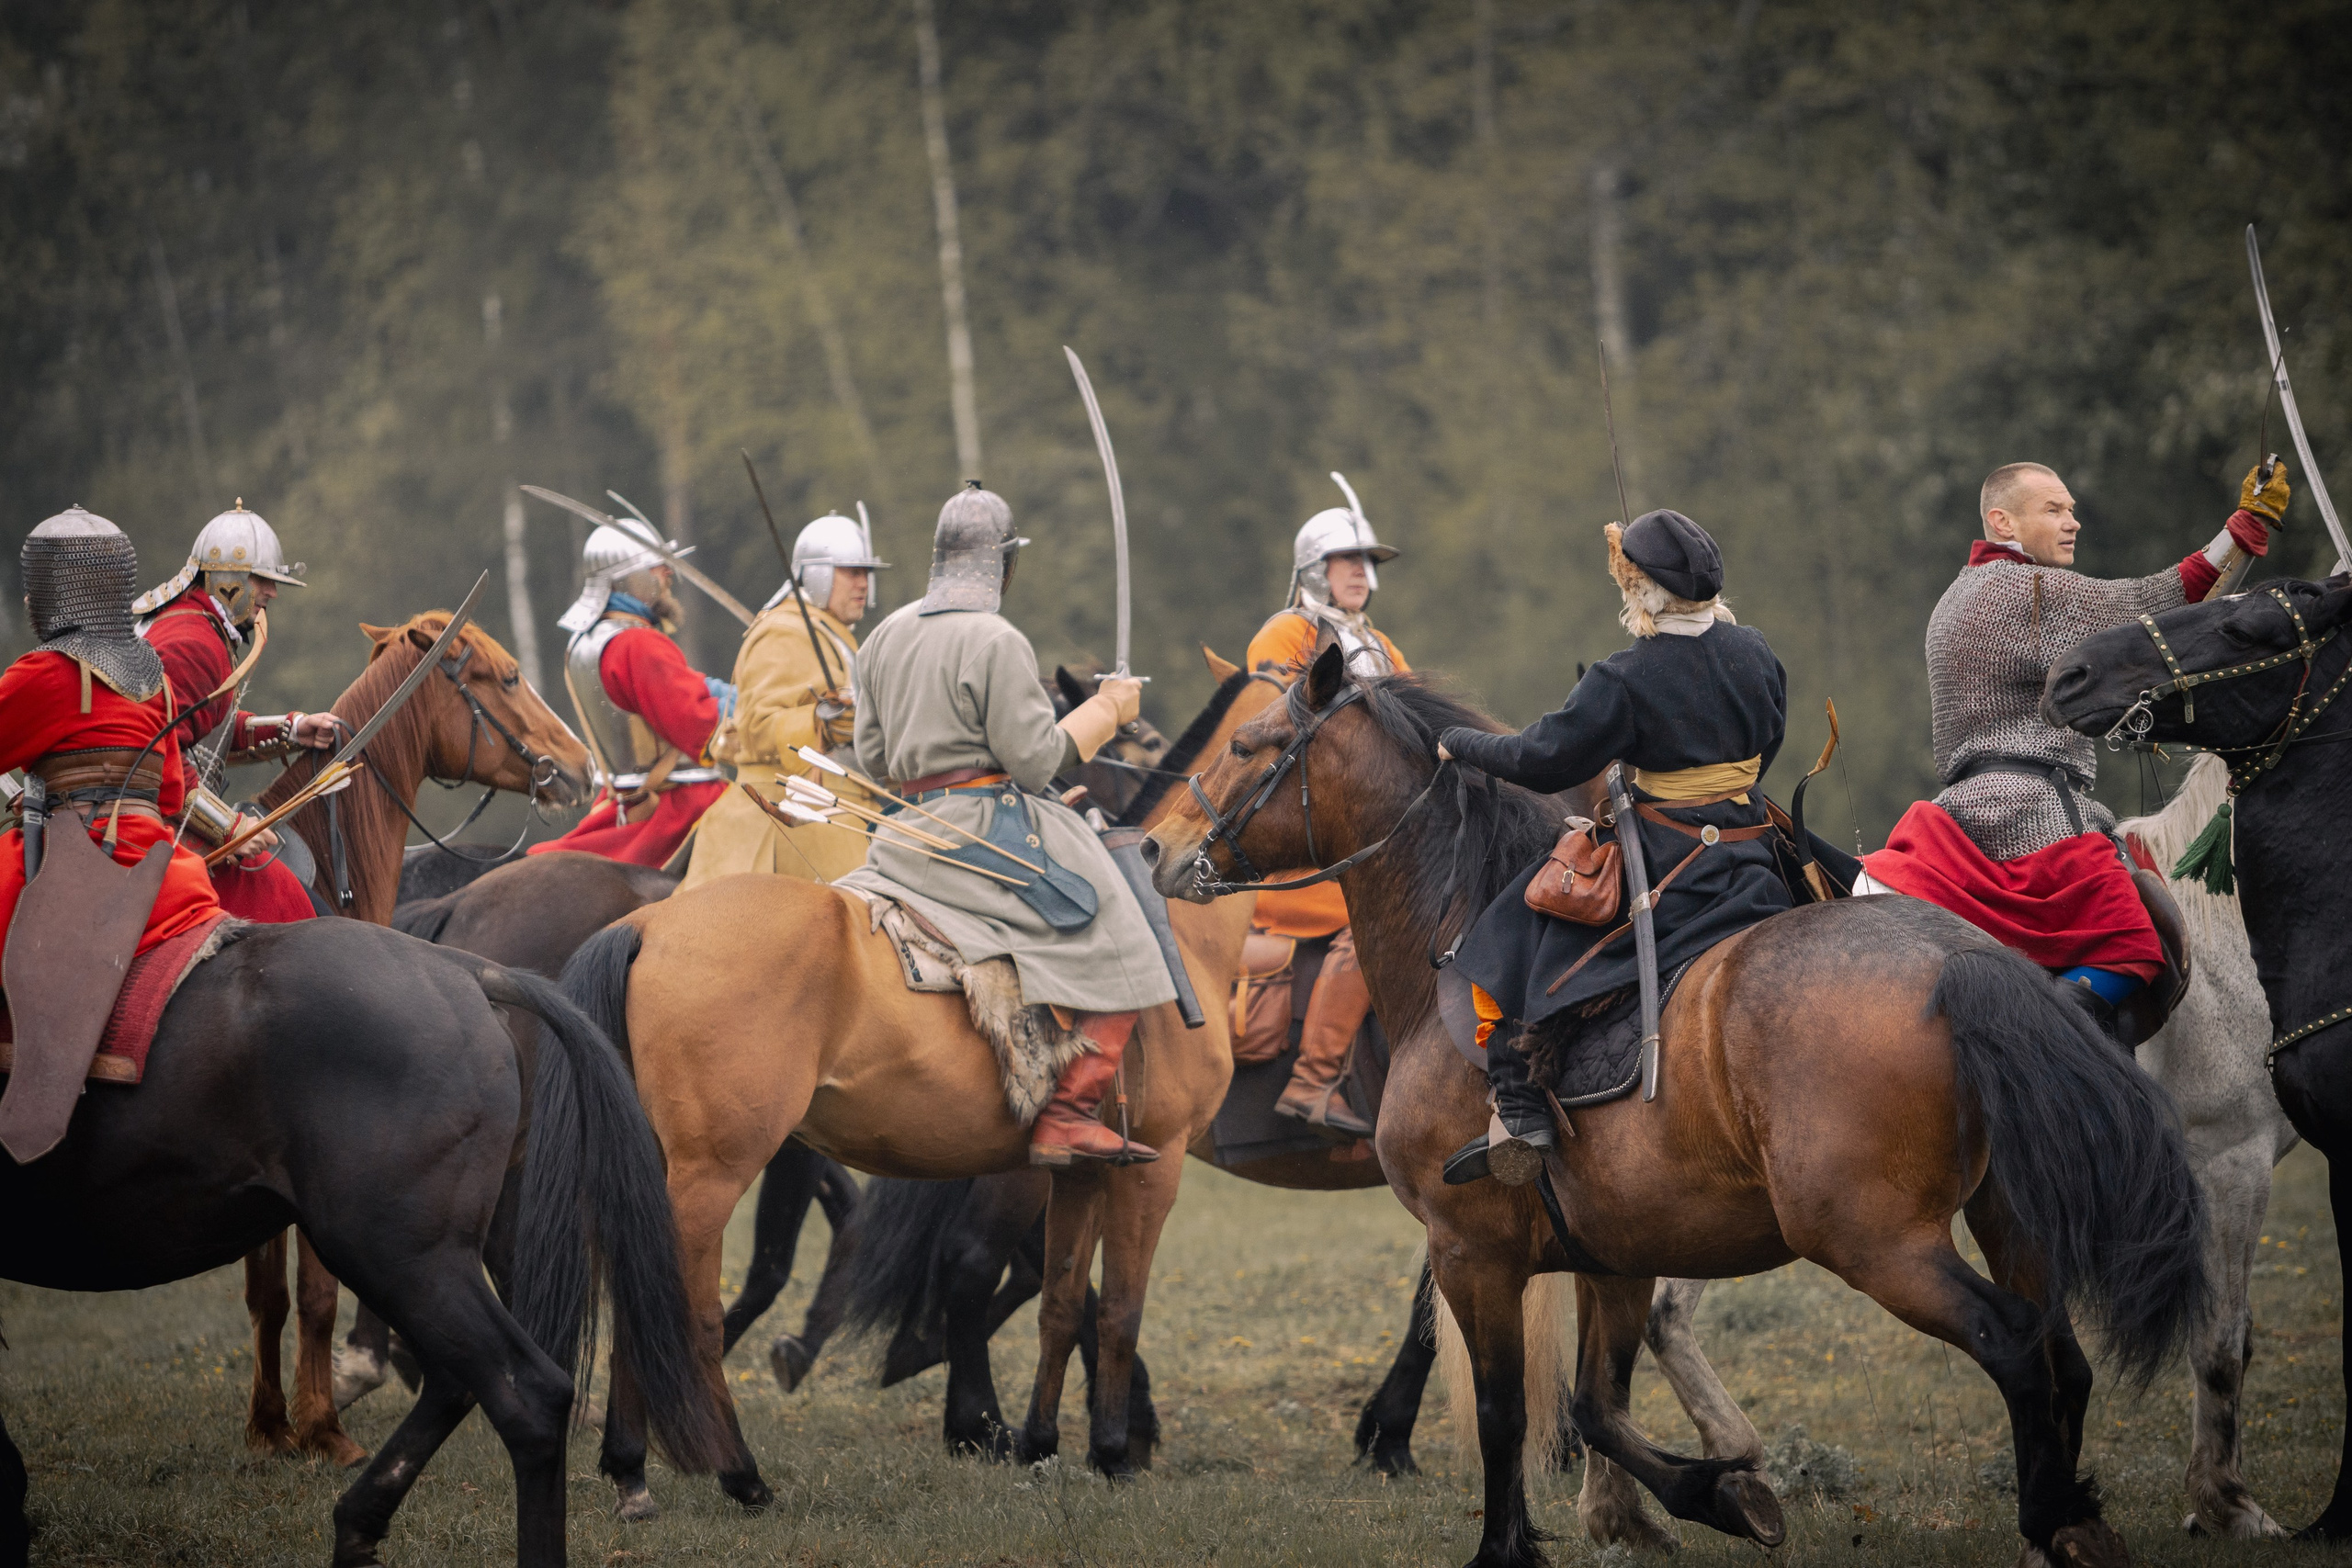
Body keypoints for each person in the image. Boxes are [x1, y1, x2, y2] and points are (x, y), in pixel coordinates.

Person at [1858, 459, 2285, 1039]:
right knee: (2134, 939)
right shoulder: (2026, 590)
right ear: (2001, 522)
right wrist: (2239, 533)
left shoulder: (1958, 594)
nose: (2072, 522)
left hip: (1964, 809)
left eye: (2073, 509)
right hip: (2032, 810)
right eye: (2053, 510)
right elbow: (2157, 608)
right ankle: (2056, 1041)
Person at [1434, 511, 1793, 1185]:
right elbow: (1768, 740)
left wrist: (1461, 740)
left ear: (1641, 592)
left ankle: (1519, 1101)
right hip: (1755, 848)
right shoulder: (1757, 650)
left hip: (1670, 858)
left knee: (1513, 924)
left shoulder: (1623, 676)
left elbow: (1540, 759)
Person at [834, 484, 1176, 1166]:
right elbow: (1035, 759)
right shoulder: (997, 638)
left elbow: (872, 757)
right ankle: (1072, 1111)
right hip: (984, 830)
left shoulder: (882, 637)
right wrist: (1110, 707)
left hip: (903, 834)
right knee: (1128, 928)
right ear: (1004, 563)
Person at [1241, 487, 1409, 1138]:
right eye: (1348, 561)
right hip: (1299, 847)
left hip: (1371, 836)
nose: (1362, 574)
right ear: (1314, 568)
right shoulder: (1283, 635)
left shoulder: (1383, 645)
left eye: (1368, 563)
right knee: (1370, 927)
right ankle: (1313, 1080)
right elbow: (1278, 736)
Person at [0, 507, 222, 955]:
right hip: (164, 874)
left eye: (36, 590)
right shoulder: (152, 676)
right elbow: (170, 796)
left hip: (80, 859)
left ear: (57, 595)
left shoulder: (46, 672)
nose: (28, 601)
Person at [132, 502, 342, 920]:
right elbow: (159, 750)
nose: (272, 593)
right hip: (164, 832)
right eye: (262, 580)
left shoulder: (198, 626)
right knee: (298, 912)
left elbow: (208, 728)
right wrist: (228, 829)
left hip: (178, 820)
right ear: (230, 579)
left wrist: (291, 729)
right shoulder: (193, 640)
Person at [681, 511, 889, 890]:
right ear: (818, 574)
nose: (863, 583)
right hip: (785, 817)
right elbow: (757, 727)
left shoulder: (829, 631)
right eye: (851, 571)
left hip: (843, 806)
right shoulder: (784, 632)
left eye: (866, 572)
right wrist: (821, 722)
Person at [529, 513, 734, 869]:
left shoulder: (583, 643)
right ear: (630, 579)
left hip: (623, 800)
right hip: (680, 807)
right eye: (657, 567)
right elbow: (701, 729)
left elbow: (676, 690)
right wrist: (753, 711)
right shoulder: (640, 644)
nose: (668, 574)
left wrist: (719, 690)